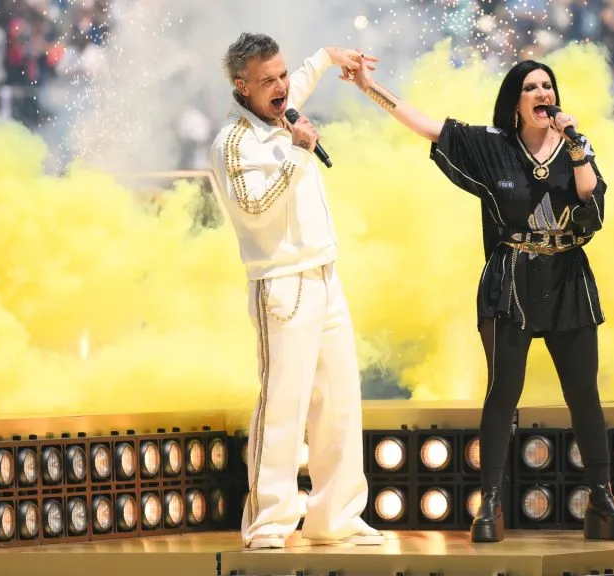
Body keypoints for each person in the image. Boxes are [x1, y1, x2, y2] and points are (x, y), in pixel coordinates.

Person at [349, 59, 614, 543]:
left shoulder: (574, 148)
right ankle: (490, 503)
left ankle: (601, 498)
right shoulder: (493, 146)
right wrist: (367, 86)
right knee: (503, 391)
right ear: (516, 102)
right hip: (513, 280)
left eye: (548, 85)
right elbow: (426, 126)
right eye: (531, 87)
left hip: (568, 277)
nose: (542, 93)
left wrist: (579, 146)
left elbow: (590, 199)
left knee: (583, 393)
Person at [210, 32, 384, 550]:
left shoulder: (279, 114)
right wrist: (298, 152)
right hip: (281, 285)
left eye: (283, 74)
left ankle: (338, 518)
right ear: (242, 87)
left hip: (325, 276)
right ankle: (269, 522)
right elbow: (254, 209)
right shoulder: (234, 142)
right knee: (282, 405)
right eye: (268, 81)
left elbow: (298, 83)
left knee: (340, 401)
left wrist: (329, 57)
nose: (283, 87)